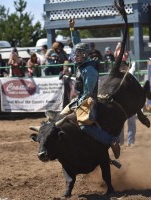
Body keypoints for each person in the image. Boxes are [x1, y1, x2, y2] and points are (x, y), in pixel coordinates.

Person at [37, 18, 120, 159]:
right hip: (80, 99)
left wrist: (76, 104)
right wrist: (72, 29)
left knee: (84, 125)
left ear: (85, 55)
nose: (75, 56)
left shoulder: (89, 70)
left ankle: (110, 140)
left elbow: (88, 92)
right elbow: (77, 44)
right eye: (75, 54)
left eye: (78, 54)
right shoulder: (82, 63)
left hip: (89, 101)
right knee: (60, 115)